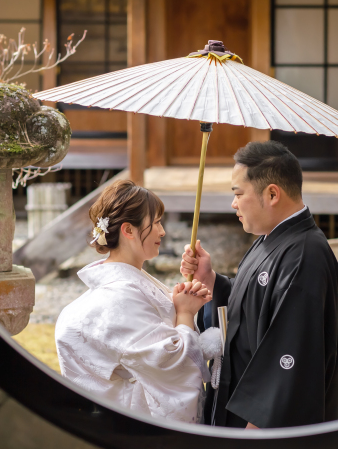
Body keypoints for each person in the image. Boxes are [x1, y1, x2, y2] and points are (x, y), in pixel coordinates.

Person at [181, 141, 338, 429]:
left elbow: (291, 356)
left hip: (259, 428)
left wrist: (255, 436)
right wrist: (212, 281)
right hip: (238, 405)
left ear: (271, 194)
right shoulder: (272, 238)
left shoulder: (305, 257)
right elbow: (254, 305)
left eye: (238, 193)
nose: (233, 203)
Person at [55, 180, 222, 424]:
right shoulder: (118, 297)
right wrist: (184, 313)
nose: (162, 232)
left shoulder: (128, 285)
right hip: (131, 425)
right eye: (155, 223)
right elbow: (173, 365)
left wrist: (180, 304)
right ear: (128, 230)